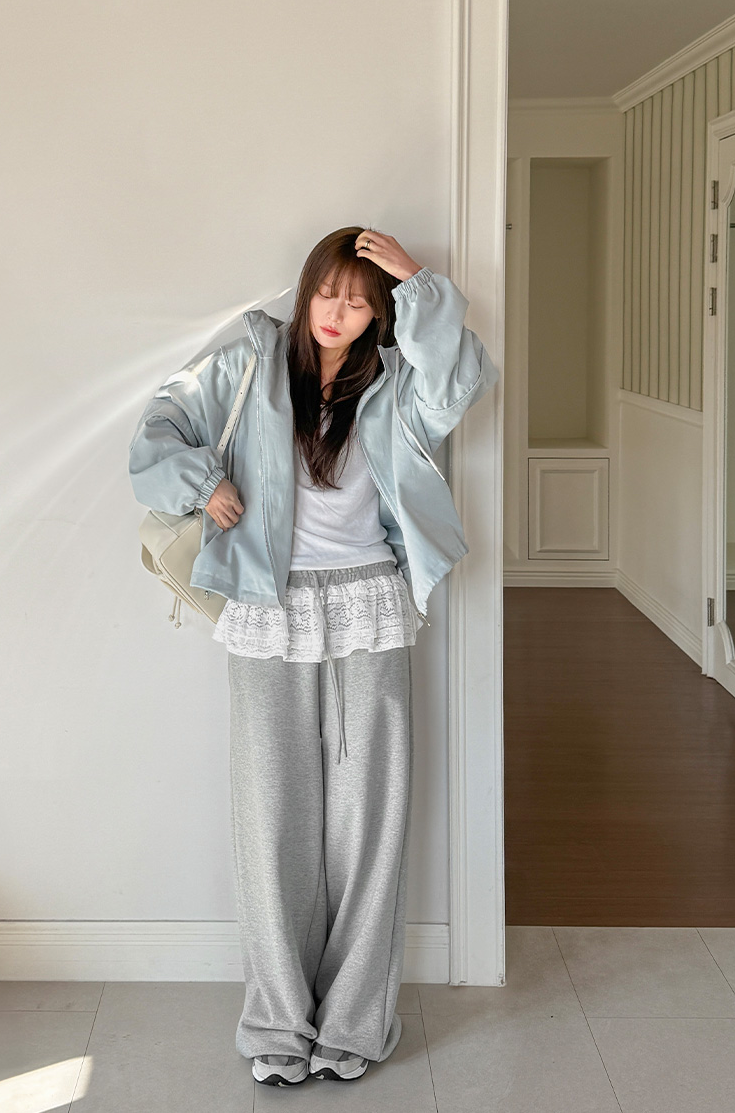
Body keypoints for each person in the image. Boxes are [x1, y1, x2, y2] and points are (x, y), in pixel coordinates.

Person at [128, 226, 498, 1087]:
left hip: (370, 600)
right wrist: (203, 481)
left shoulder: (398, 377)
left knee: (372, 815)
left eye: (360, 301)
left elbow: (461, 381)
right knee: (272, 817)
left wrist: (416, 281)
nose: (338, 312)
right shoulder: (249, 362)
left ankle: (356, 1022)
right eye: (328, 293)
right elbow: (157, 429)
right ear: (305, 292)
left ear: (379, 314)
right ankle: (277, 1024)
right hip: (270, 605)